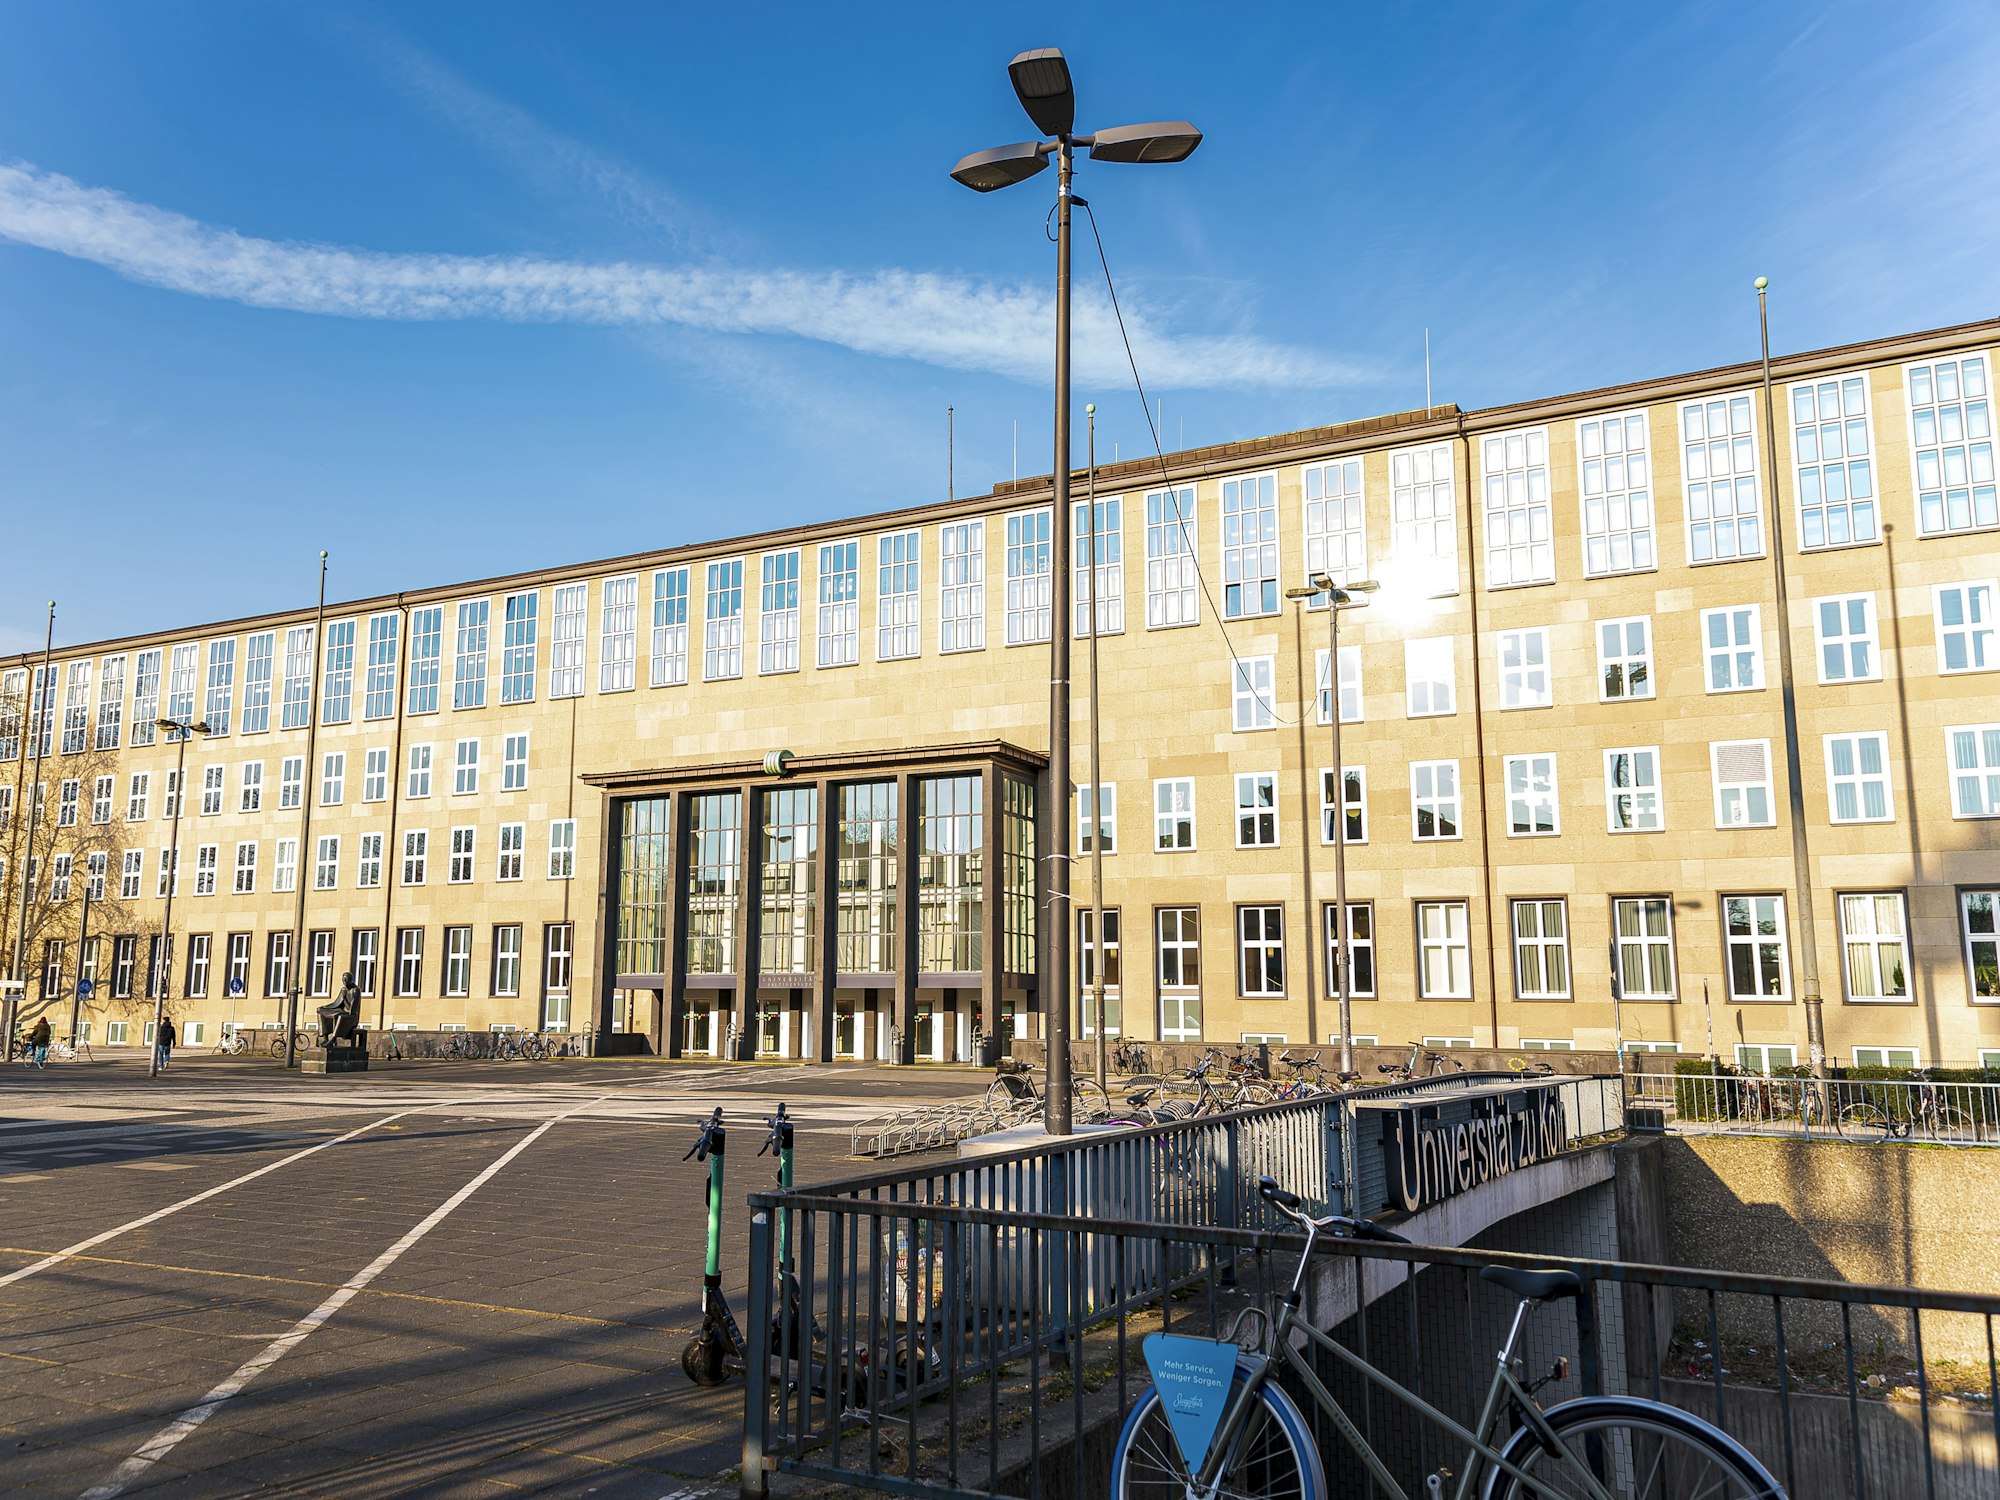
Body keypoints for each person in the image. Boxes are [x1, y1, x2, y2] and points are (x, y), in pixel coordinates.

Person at [318, 971, 361, 1045]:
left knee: (339, 1016)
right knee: (321, 1013)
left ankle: (333, 1039)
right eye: (343, 980)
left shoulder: (355, 990)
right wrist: (324, 1007)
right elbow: (336, 1003)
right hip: (342, 1011)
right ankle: (325, 1038)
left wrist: (344, 998)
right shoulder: (343, 990)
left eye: (346, 979)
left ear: (351, 980)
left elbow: (351, 1009)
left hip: (351, 1016)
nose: (344, 982)